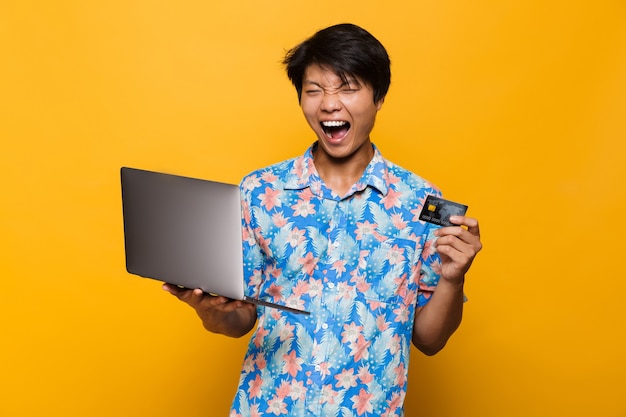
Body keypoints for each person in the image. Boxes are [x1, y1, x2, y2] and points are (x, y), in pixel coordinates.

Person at [163, 23, 482, 417]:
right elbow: (239, 319)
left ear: (379, 96)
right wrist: (209, 311)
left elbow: (430, 340)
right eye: (314, 90)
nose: (329, 104)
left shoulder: (422, 202)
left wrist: (453, 277)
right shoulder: (260, 191)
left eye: (347, 88)